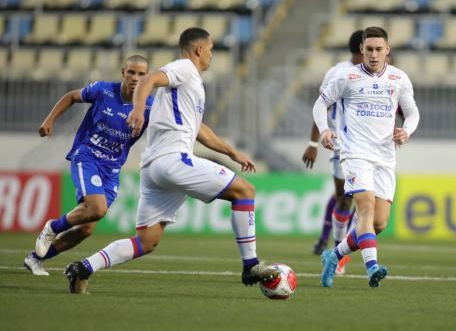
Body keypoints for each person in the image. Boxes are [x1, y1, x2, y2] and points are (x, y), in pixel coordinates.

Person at [64, 28, 278, 294]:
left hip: (154, 168)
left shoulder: (191, 84)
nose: (212, 54)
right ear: (199, 49)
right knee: (245, 191)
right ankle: (251, 265)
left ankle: (83, 268)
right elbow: (148, 80)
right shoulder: (185, 68)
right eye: (211, 48)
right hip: (173, 160)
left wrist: (231, 152)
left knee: (146, 241)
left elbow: (200, 130)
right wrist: (139, 110)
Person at [24, 55, 153, 276]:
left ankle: (36, 258)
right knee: (98, 208)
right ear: (123, 72)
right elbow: (71, 96)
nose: (135, 78)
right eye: (131, 72)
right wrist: (49, 120)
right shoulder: (103, 91)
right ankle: (53, 227)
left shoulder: (150, 106)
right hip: (87, 156)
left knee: (87, 227)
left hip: (111, 169)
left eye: (142, 74)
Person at [313, 26, 420, 288]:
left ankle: (334, 254)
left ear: (387, 50)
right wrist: (325, 130)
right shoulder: (347, 77)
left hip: (384, 157)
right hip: (354, 154)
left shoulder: (398, 79)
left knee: (378, 223)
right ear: (362, 50)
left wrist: (406, 131)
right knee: (365, 208)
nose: (373, 54)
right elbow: (320, 104)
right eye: (369, 49)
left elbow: (413, 112)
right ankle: (372, 267)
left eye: (378, 49)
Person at [303, 30, 364, 275]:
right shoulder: (338, 72)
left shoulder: (378, 74)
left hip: (368, 148)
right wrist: (313, 143)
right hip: (341, 145)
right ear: (362, 48)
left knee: (362, 202)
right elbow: (322, 106)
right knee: (343, 198)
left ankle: (340, 249)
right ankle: (338, 250)